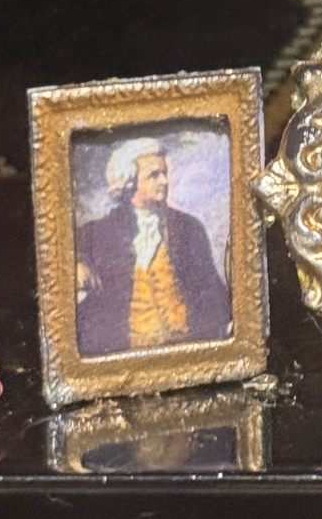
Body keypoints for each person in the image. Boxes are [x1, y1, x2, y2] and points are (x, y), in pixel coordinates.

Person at [75, 138, 231, 356]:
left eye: (164, 173)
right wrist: (78, 262)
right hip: (126, 358)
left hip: (187, 353)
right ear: (130, 183)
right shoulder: (99, 233)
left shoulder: (189, 229)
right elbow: (63, 252)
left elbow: (211, 294)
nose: (164, 181)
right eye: (154, 175)